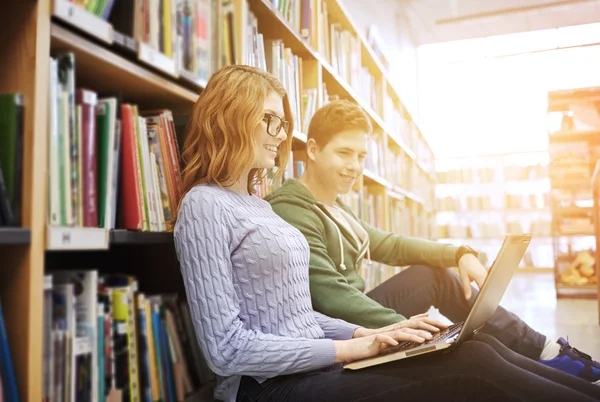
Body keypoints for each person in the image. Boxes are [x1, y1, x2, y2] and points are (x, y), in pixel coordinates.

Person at [172, 64, 600, 402]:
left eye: (283, 124)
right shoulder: (204, 205)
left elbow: (298, 318)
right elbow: (226, 349)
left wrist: (367, 335)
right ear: (231, 116)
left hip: (315, 364)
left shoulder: (258, 204)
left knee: (472, 351)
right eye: (270, 120)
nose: (281, 135)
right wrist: (351, 348)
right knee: (471, 366)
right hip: (268, 387)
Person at [264, 99, 600, 385]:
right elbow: (331, 296)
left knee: (433, 274)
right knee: (457, 331)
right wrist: (403, 328)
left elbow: (390, 245)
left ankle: (542, 352)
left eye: (361, 156)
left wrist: (458, 254)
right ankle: (542, 355)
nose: (354, 167)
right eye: (344, 153)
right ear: (312, 149)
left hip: (353, 314)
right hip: (338, 332)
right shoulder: (293, 209)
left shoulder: (335, 204)